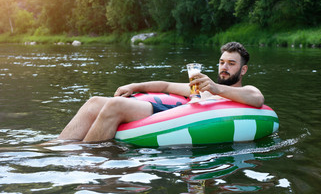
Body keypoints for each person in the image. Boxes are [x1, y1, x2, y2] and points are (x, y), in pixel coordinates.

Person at [57, 42, 264, 142]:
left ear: (243, 69)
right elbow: (165, 86)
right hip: (168, 111)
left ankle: (83, 160)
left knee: (115, 105)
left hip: (175, 119)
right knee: (94, 101)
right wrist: (135, 86)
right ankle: (56, 147)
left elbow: (257, 99)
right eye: (221, 62)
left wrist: (217, 89)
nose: (224, 67)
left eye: (231, 63)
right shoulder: (202, 87)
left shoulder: (245, 90)